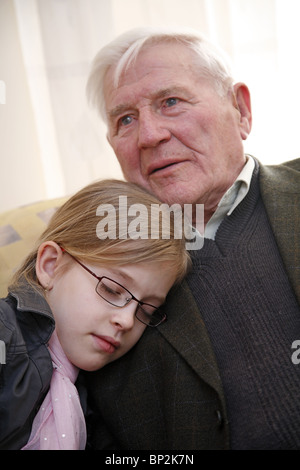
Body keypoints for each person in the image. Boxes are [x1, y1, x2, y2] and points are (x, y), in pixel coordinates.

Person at [84, 27, 300, 450]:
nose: (150, 136)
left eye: (171, 102)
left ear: (240, 110)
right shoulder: (88, 263)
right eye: (125, 119)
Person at [0, 179, 190, 450]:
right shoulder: (5, 336)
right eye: (112, 290)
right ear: (51, 265)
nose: (125, 321)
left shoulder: (88, 395)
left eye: (146, 311)